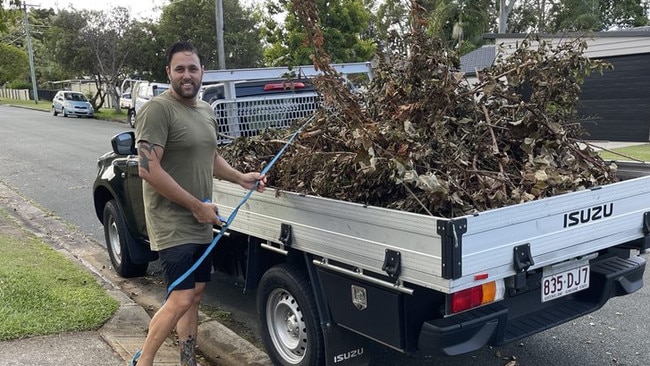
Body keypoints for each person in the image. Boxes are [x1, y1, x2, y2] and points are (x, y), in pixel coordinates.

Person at [131, 40, 266, 366]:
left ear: (202, 71)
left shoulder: (205, 110)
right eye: (180, 69)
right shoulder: (158, 110)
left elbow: (211, 156)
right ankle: (142, 361)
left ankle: (187, 360)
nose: (187, 75)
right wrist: (195, 206)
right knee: (179, 298)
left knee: (195, 296)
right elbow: (148, 169)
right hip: (172, 222)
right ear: (169, 73)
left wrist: (239, 177)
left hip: (200, 220)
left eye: (193, 68)